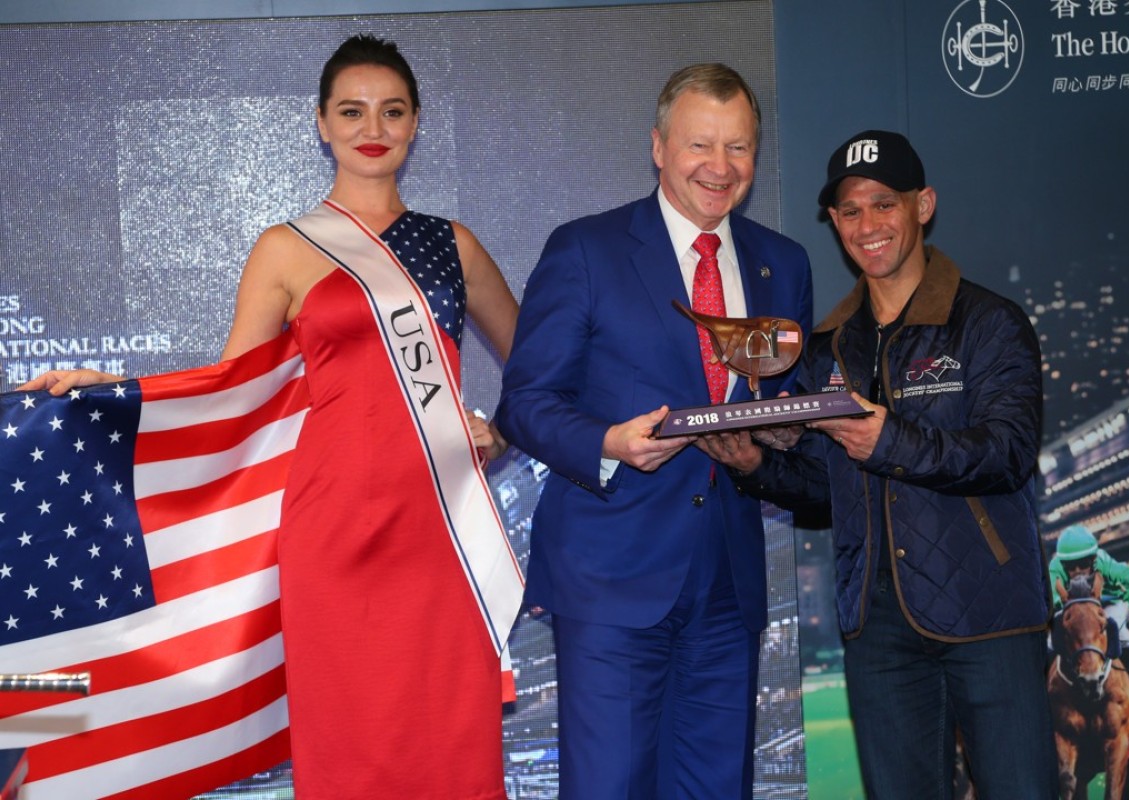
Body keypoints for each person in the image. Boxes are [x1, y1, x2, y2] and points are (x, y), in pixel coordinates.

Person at [19, 34, 524, 798]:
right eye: (350, 111)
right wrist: (109, 391)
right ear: (320, 124)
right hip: (332, 537)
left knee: (450, 741)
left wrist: (504, 429)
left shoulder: (454, 246)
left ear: (417, 122)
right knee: (350, 743)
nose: (371, 127)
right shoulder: (285, 250)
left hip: (439, 535)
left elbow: (542, 368)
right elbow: (228, 389)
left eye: (391, 110)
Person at [699, 130, 1056, 798]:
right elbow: (820, 488)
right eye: (851, 210)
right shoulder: (827, 348)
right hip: (877, 624)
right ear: (834, 222)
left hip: (989, 617)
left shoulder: (988, 322)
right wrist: (753, 464)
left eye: (884, 204)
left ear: (923, 205)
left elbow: (1007, 455)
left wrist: (887, 439)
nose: (869, 225)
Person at [494, 64, 813, 799]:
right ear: (659, 147)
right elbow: (525, 402)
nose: (720, 167)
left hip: (729, 581)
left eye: (739, 148)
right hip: (610, 576)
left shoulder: (782, 263)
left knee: (715, 788)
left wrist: (786, 432)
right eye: (701, 144)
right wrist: (610, 444)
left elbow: (781, 395)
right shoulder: (585, 251)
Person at [1048, 523, 1129, 695]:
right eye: (1070, 566)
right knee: (1050, 639)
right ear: (1063, 564)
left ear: (1093, 559)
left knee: (1118, 629)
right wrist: (1058, 603)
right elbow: (1051, 593)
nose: (1077, 571)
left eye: (1083, 563)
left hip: (1107, 604)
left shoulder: (1106, 564)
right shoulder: (1056, 566)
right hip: (1072, 606)